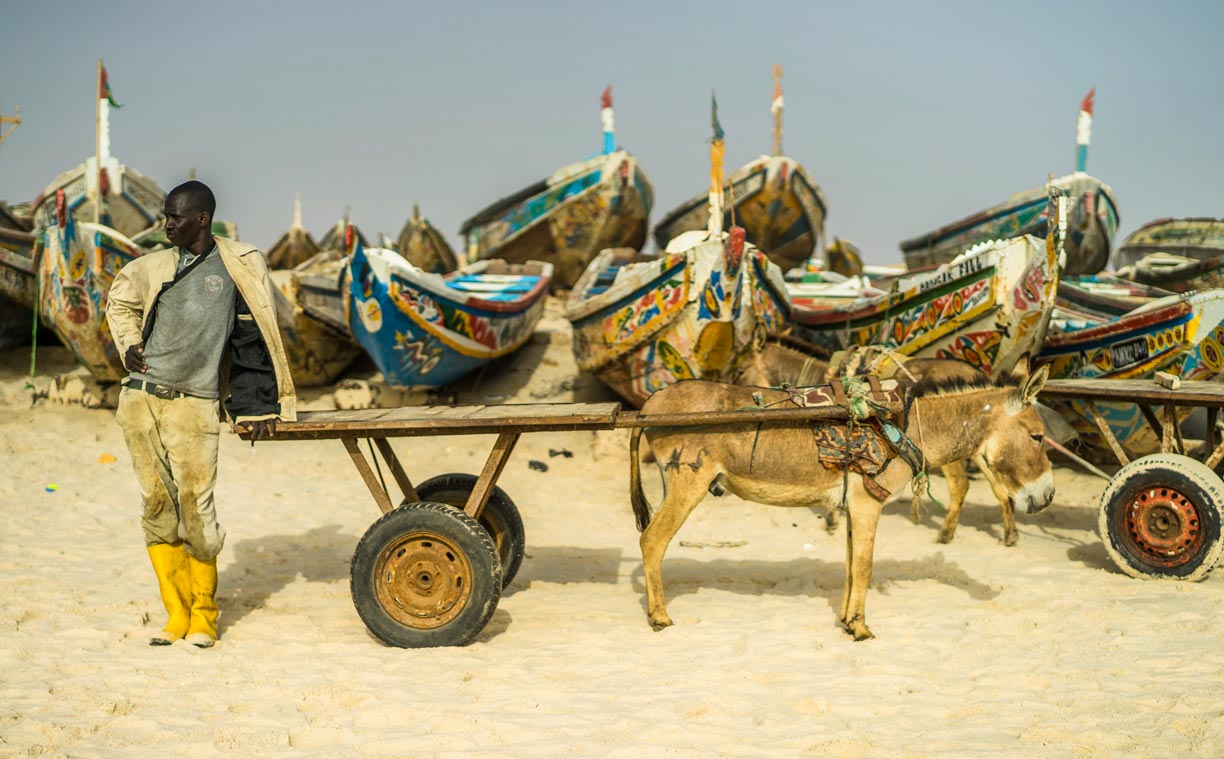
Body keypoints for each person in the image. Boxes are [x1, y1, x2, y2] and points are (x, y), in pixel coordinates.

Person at [107, 180, 297, 647]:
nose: (166, 224)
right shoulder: (152, 266)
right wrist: (129, 344)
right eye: (165, 215)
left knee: (197, 507)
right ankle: (176, 615)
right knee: (156, 505)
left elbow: (253, 338)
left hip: (196, 404)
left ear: (202, 219)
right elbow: (120, 302)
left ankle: (204, 617)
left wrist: (258, 405)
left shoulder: (238, 265)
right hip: (141, 399)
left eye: (174, 217)